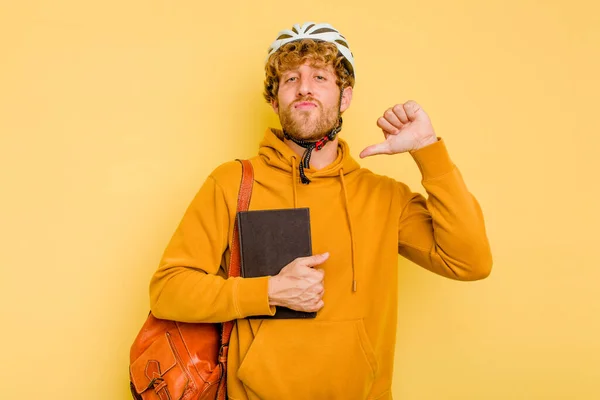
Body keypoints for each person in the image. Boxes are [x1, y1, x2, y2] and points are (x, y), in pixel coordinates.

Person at [149, 22, 492, 400]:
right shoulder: (233, 182)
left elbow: (470, 261)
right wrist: (269, 290)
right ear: (275, 99)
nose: (304, 87)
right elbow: (169, 290)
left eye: (320, 76)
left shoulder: (384, 197)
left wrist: (428, 149)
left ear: (345, 97)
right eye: (290, 78)